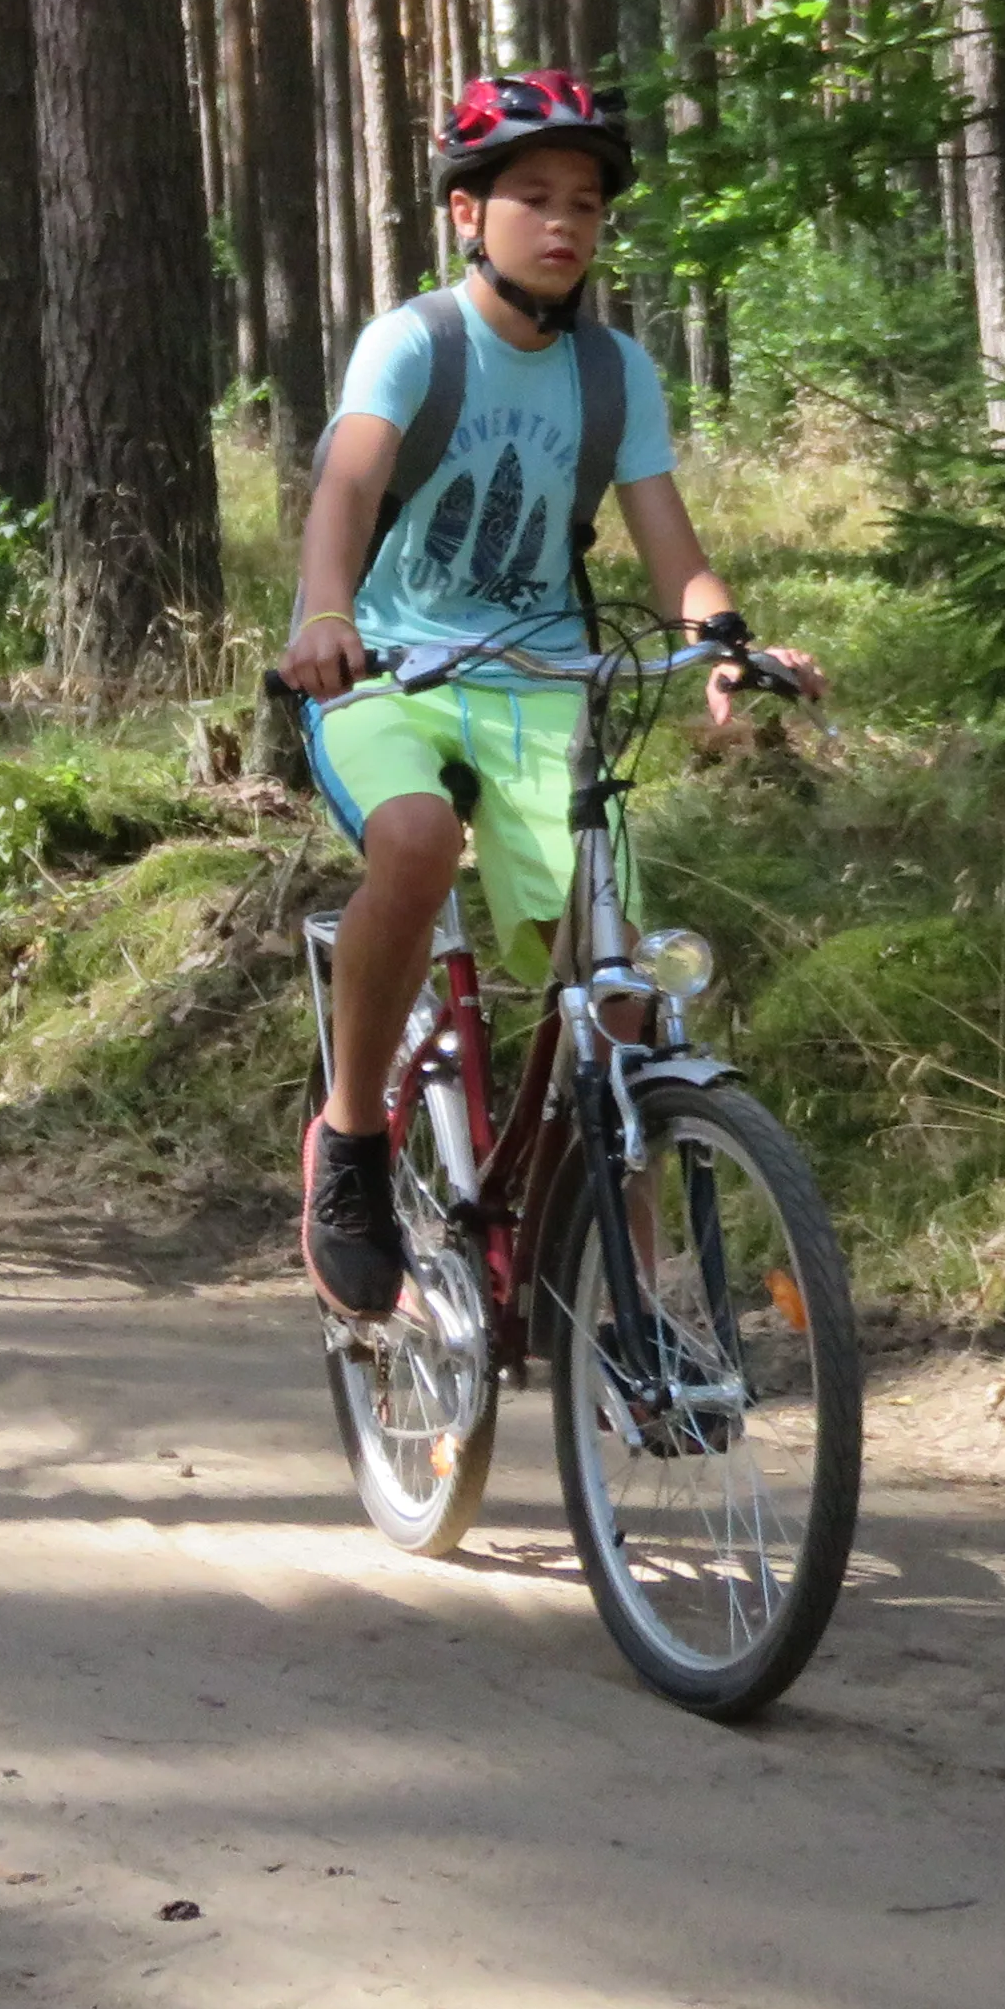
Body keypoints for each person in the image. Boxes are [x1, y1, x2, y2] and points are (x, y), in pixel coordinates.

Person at [276, 73, 821, 1326]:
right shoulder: (416, 341)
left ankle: (626, 1313)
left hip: (545, 698)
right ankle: (353, 1141)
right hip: (391, 672)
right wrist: (325, 617)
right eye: (533, 196)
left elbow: (673, 553)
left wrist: (728, 641)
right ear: (470, 213)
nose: (564, 222)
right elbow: (347, 493)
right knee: (413, 842)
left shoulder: (616, 371)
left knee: (619, 1011)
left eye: (586, 202)